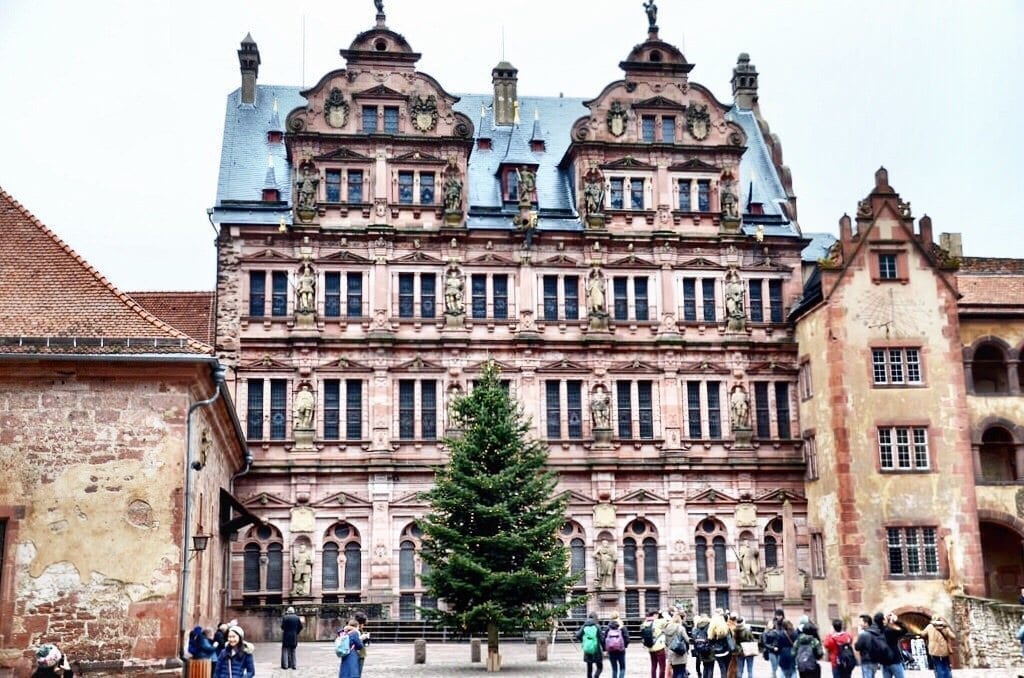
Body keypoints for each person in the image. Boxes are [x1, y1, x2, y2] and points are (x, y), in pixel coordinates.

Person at [854, 614, 886, 678]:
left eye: (861, 622)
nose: (860, 624)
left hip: (866, 661)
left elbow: (857, 647)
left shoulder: (863, 634)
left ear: (866, 623)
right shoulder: (877, 632)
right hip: (875, 660)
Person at [875, 612, 907, 678]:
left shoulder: (877, 631)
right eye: (885, 618)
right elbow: (904, 630)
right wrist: (896, 620)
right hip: (895, 660)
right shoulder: (890, 631)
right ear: (883, 620)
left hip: (884, 662)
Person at [576, 611, 606, 678]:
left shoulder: (584, 626)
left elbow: (578, 635)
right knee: (600, 667)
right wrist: (604, 648)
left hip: (587, 649)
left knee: (589, 669)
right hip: (596, 650)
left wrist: (584, 641)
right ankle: (596, 676)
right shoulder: (597, 626)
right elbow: (601, 639)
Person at [640, 610, 668, 678]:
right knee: (662, 666)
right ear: (655, 615)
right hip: (659, 647)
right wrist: (664, 613)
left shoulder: (644, 623)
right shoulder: (658, 621)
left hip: (650, 647)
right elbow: (668, 620)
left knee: (653, 665)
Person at [708, 611, 734, 678]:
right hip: (726, 651)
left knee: (722, 669)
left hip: (717, 653)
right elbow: (730, 639)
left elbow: (710, 641)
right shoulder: (726, 628)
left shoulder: (712, 630)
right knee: (727, 668)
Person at [664, 610, 690, 678]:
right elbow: (687, 640)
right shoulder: (680, 628)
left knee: (675, 672)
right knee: (681, 671)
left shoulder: (667, 628)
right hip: (680, 652)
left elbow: (665, 642)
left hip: (671, 653)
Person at [604, 611, 630, 678]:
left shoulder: (608, 628)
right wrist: (624, 646)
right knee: (622, 668)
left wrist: (606, 649)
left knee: (614, 669)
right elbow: (627, 639)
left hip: (611, 650)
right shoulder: (622, 627)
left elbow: (604, 639)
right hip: (621, 650)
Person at [691, 613, 714, 678]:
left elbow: (695, 637)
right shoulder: (710, 625)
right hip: (709, 648)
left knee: (705, 666)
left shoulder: (698, 625)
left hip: (701, 648)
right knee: (710, 667)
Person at [354, 610, 370, 676]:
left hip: (361, 653)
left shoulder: (359, 629)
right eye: (362, 623)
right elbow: (354, 641)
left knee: (358, 672)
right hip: (357, 653)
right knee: (357, 672)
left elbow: (365, 643)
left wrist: (366, 639)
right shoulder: (354, 629)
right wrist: (361, 638)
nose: (362, 625)